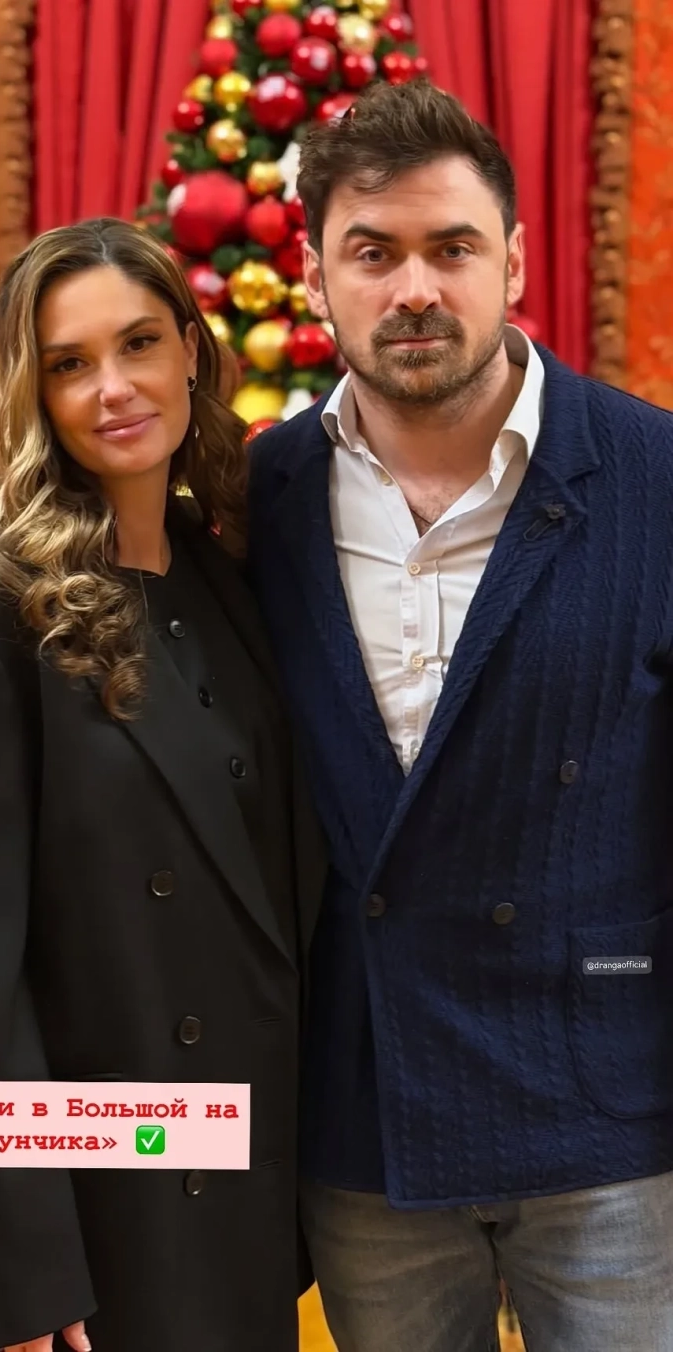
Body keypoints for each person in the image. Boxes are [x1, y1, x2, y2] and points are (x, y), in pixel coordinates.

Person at [247, 78, 673, 1352]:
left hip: (612, 1108)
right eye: (372, 254)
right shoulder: (252, 499)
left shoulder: (656, 477)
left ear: (514, 262)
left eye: (452, 247)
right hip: (369, 1115)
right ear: (315, 276)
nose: (415, 289)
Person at [0, 217, 325, 1352]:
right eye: (69, 363)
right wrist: (14, 1274)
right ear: (32, 394)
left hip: (243, 1182)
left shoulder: (225, 575)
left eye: (138, 343)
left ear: (191, 350)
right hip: (102, 1207)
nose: (113, 388)